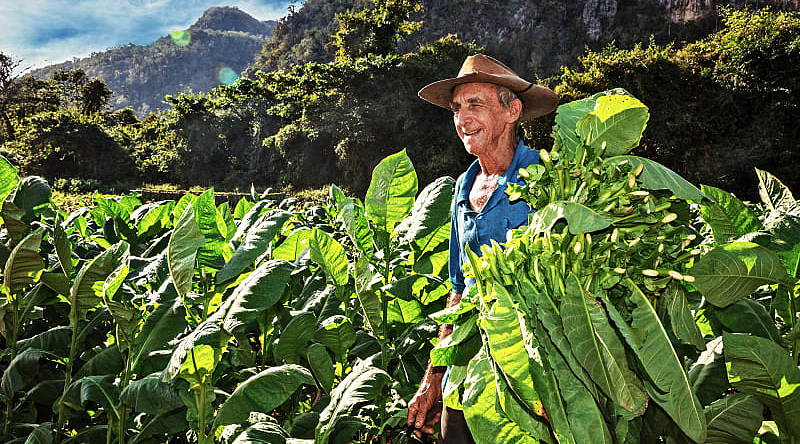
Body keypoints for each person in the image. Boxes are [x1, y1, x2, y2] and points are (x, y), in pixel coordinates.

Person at [406, 54, 558, 443]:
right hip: (467, 369)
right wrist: (433, 379)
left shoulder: (544, 178)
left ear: (513, 111)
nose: (462, 119)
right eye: (457, 108)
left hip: (531, 379)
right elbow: (458, 290)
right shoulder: (462, 187)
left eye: (475, 105)